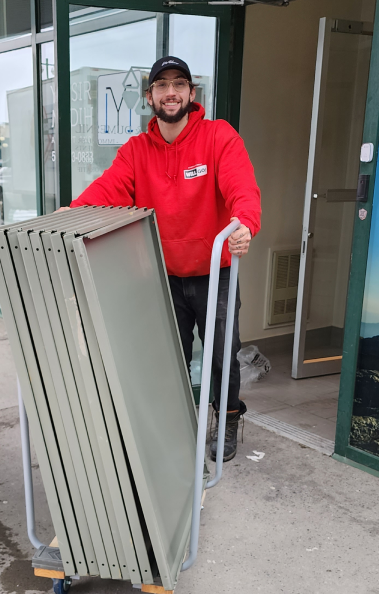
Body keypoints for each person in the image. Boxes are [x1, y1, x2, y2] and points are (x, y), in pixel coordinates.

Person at [64, 56, 262, 461]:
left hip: (215, 273)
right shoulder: (137, 151)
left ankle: (226, 422)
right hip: (163, 275)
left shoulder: (218, 137)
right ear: (149, 97)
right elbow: (109, 188)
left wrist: (244, 223)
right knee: (166, 358)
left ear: (192, 93)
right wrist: (73, 212)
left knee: (223, 355)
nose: (170, 92)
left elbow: (242, 186)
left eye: (179, 84)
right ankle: (172, 426)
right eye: (161, 86)